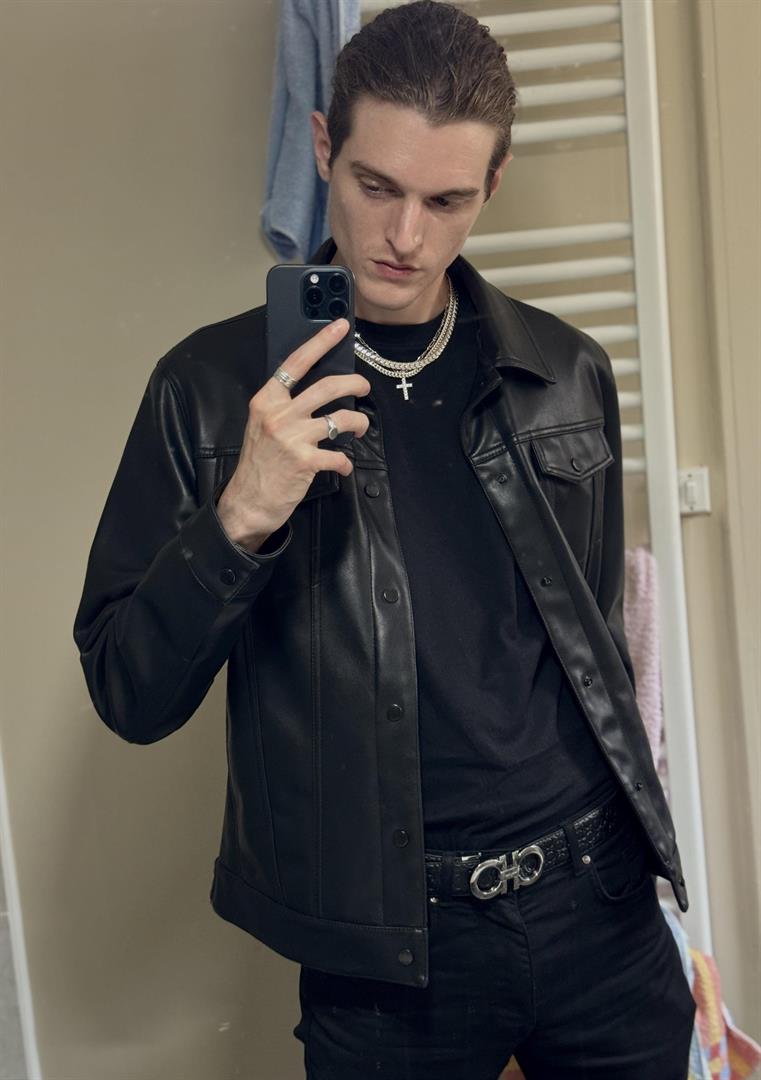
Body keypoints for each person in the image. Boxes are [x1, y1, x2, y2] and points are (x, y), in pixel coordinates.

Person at [73, 2, 697, 1076]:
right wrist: (243, 514)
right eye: (375, 186)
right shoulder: (208, 392)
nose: (404, 237)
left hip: (600, 912)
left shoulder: (565, 372)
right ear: (323, 146)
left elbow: (587, 639)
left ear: (491, 185)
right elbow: (129, 692)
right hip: (388, 959)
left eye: (445, 201)